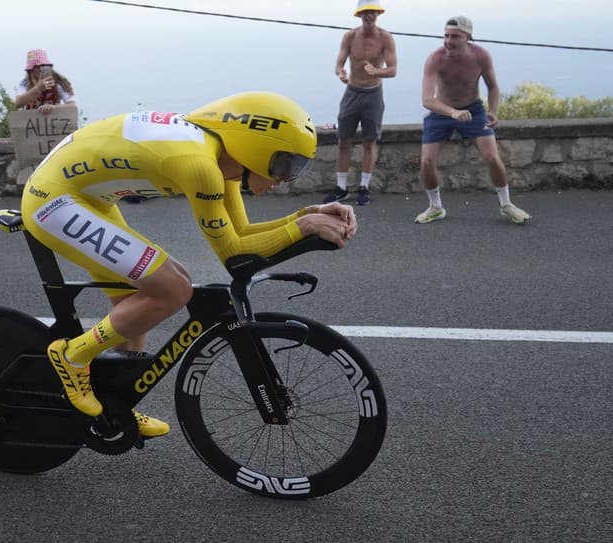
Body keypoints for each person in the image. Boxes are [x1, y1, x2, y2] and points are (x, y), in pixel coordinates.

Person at [20, 92, 358, 437]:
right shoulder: (200, 166)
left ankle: (114, 403)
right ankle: (73, 355)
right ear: (254, 146)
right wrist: (304, 228)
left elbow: (241, 232)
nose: (284, 179)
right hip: (54, 200)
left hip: (89, 197)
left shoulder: (221, 157)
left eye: (296, 168)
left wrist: (306, 215)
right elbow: (235, 255)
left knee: (134, 311)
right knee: (173, 288)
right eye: (284, 165)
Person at [416, 16, 531, 224]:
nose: (448, 41)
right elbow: (427, 100)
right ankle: (435, 207)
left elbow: (493, 87)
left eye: (455, 37)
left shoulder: (481, 56)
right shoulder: (435, 58)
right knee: (426, 161)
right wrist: (452, 112)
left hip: (474, 110)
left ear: (468, 37)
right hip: (441, 111)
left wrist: (493, 111)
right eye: (446, 35)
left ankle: (506, 205)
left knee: (492, 158)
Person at [324, 0, 397, 206]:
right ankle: (341, 188)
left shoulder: (386, 38)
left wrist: (377, 71)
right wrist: (341, 73)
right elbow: (339, 63)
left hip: (373, 94)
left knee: (369, 142)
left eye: (373, 11)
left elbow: (392, 69)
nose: (369, 15)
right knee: (343, 141)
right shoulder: (350, 36)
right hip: (352, 92)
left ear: (378, 14)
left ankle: (364, 187)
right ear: (359, 14)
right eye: (365, 12)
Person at [13, 49, 75, 114]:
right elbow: (17, 104)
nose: (40, 68)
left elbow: (72, 106)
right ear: (31, 70)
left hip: (54, 121)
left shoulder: (58, 81)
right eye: (36, 66)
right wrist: (38, 88)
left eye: (43, 65)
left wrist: (54, 107)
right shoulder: (25, 83)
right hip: (32, 121)